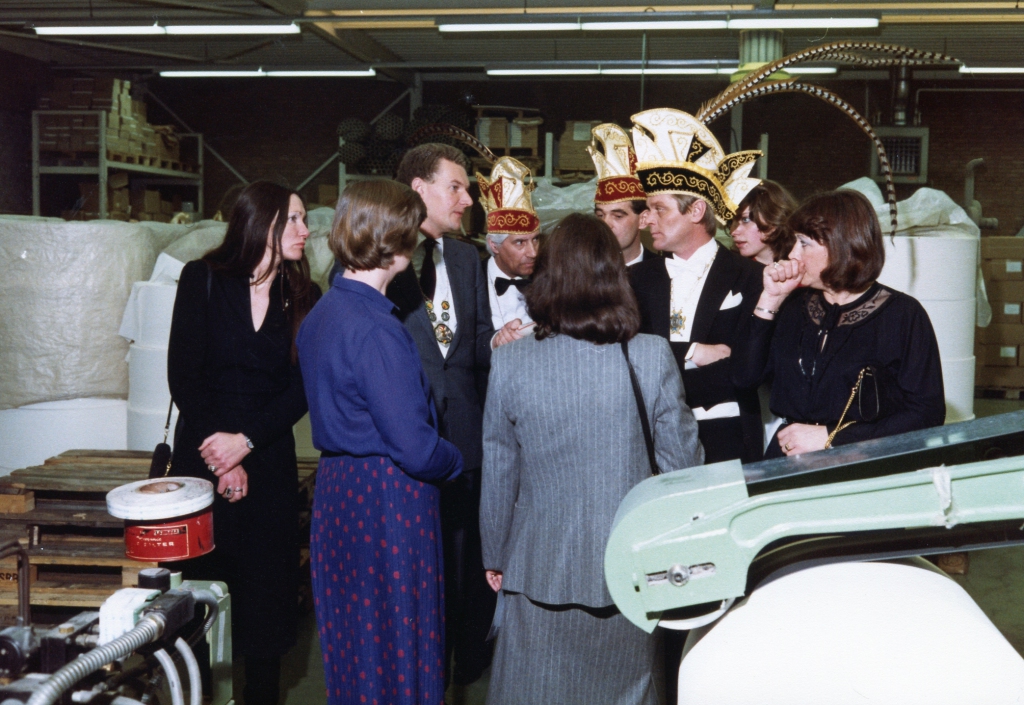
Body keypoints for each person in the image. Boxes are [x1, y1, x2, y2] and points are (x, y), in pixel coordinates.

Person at [481, 213, 703, 705]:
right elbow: (683, 470)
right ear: (615, 277)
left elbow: (499, 470)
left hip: (537, 568)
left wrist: (495, 555)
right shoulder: (651, 355)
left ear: (547, 277)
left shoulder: (511, 360)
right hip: (628, 571)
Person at [297, 180, 463, 705]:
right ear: (397, 243)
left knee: (356, 646)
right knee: (401, 645)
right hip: (388, 497)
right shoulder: (378, 328)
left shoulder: (324, 313)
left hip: (338, 492)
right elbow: (416, 448)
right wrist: (456, 459)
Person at [166, 180, 319, 705]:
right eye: (294, 219)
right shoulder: (203, 279)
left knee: (266, 598)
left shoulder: (305, 296)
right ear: (262, 222)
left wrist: (246, 443)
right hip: (203, 458)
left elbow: (303, 387)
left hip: (269, 458)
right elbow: (184, 375)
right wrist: (223, 455)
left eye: (304, 219)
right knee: (200, 593)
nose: (305, 229)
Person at [386, 143, 499, 687]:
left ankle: (464, 667)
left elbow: (474, 343)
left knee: (465, 561)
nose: (467, 200)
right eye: (456, 187)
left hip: (466, 437)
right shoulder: (382, 258)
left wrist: (501, 340)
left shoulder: (466, 258)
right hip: (409, 440)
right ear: (418, 189)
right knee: (418, 570)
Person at [732, 189, 946, 458]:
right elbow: (744, 378)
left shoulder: (902, 315)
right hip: (787, 460)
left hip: (862, 463)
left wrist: (832, 437)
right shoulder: (792, 306)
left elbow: (927, 414)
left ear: (841, 245)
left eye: (803, 243)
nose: (792, 254)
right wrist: (771, 299)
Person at [629, 107, 766, 465]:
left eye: (659, 209)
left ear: (696, 211)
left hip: (728, 440)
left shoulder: (750, 277)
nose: (647, 220)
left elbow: (748, 371)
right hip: (651, 439)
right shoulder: (635, 280)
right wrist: (691, 352)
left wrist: (667, 369)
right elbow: (627, 362)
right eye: (647, 209)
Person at [478, 156, 542, 337]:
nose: (533, 253)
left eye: (535, 240)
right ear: (494, 245)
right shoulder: (472, 282)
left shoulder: (549, 278)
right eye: (520, 242)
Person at [588, 122, 652, 266]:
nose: (606, 224)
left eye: (618, 216)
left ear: (643, 220)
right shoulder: (582, 272)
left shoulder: (665, 273)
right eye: (600, 215)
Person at [729, 180, 798, 265]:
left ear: (773, 220)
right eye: (732, 222)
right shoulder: (732, 268)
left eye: (745, 220)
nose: (733, 231)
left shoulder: (803, 266)